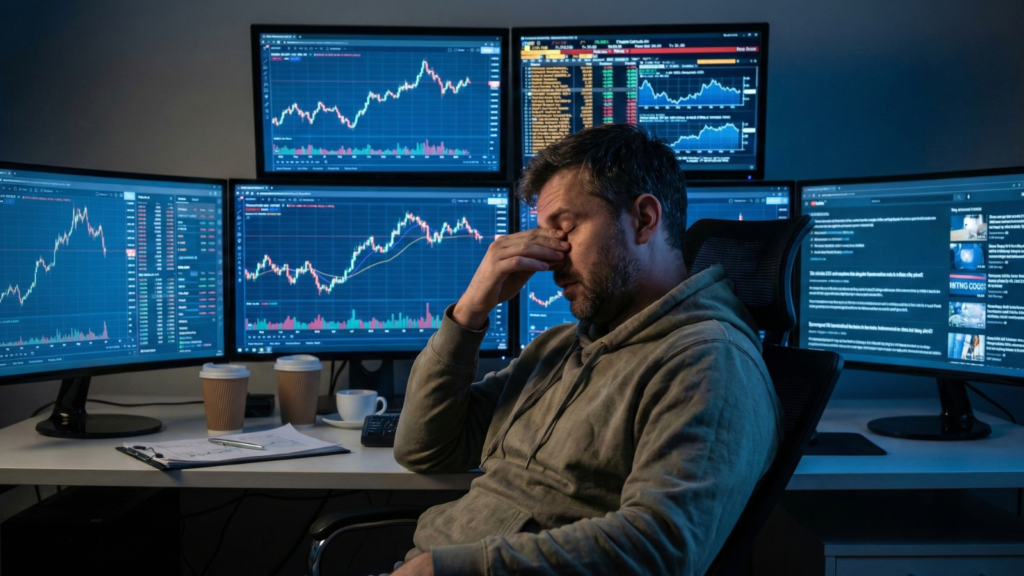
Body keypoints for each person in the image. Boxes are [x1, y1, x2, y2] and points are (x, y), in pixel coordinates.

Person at [391, 124, 782, 576]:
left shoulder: (708, 362)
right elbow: (425, 448)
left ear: (644, 220)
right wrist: (471, 309)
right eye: (543, 236)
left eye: (566, 229)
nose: (551, 258)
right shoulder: (561, 348)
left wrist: (450, 568)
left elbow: (661, 549)